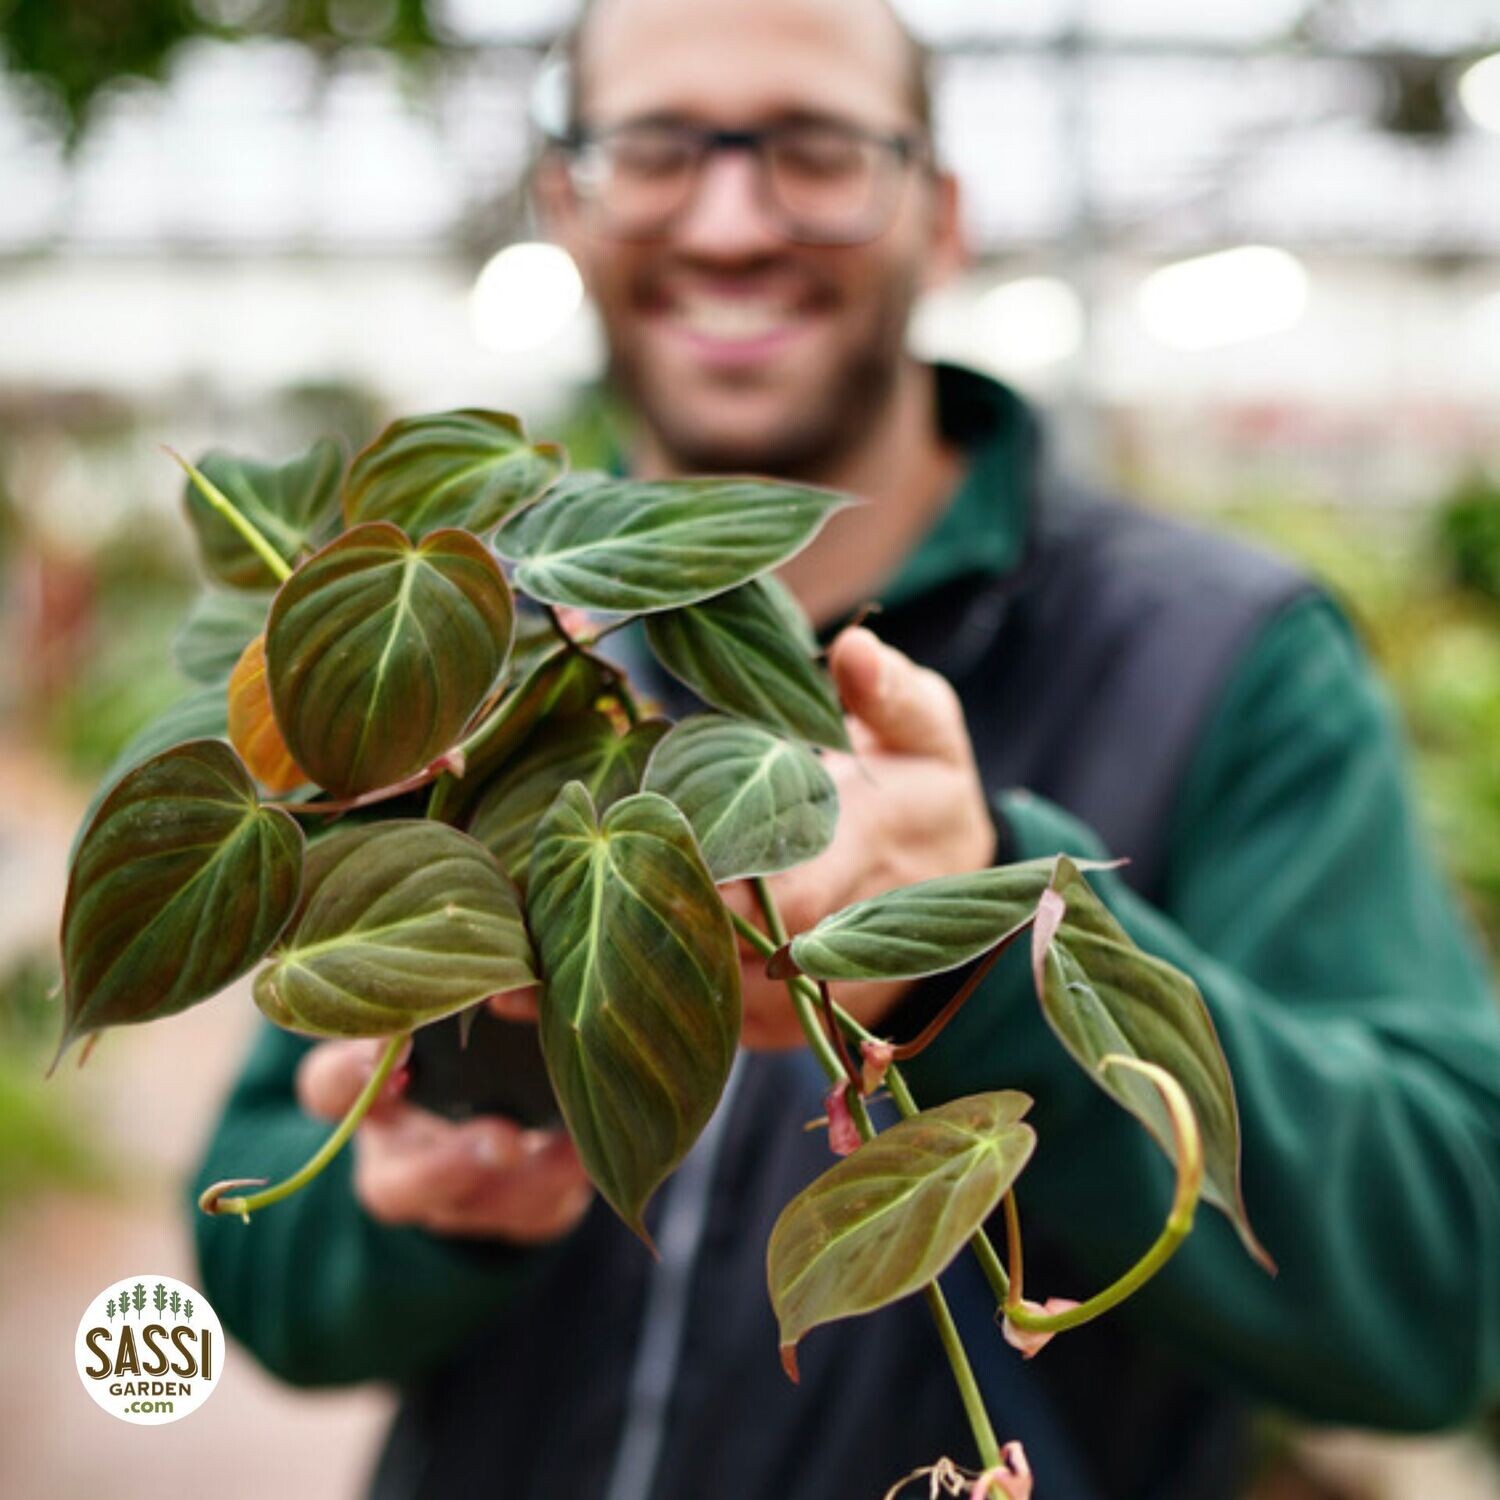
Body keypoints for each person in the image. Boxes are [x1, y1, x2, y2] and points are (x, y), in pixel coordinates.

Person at [188, 1, 1500, 1496]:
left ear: (941, 219)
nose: (731, 223)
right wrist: (421, 1207)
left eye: (814, 150)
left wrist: (992, 949)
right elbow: (264, 1271)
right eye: (655, 150)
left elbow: (1450, 1292)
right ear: (567, 205)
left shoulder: (1217, 655)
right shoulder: (467, 654)